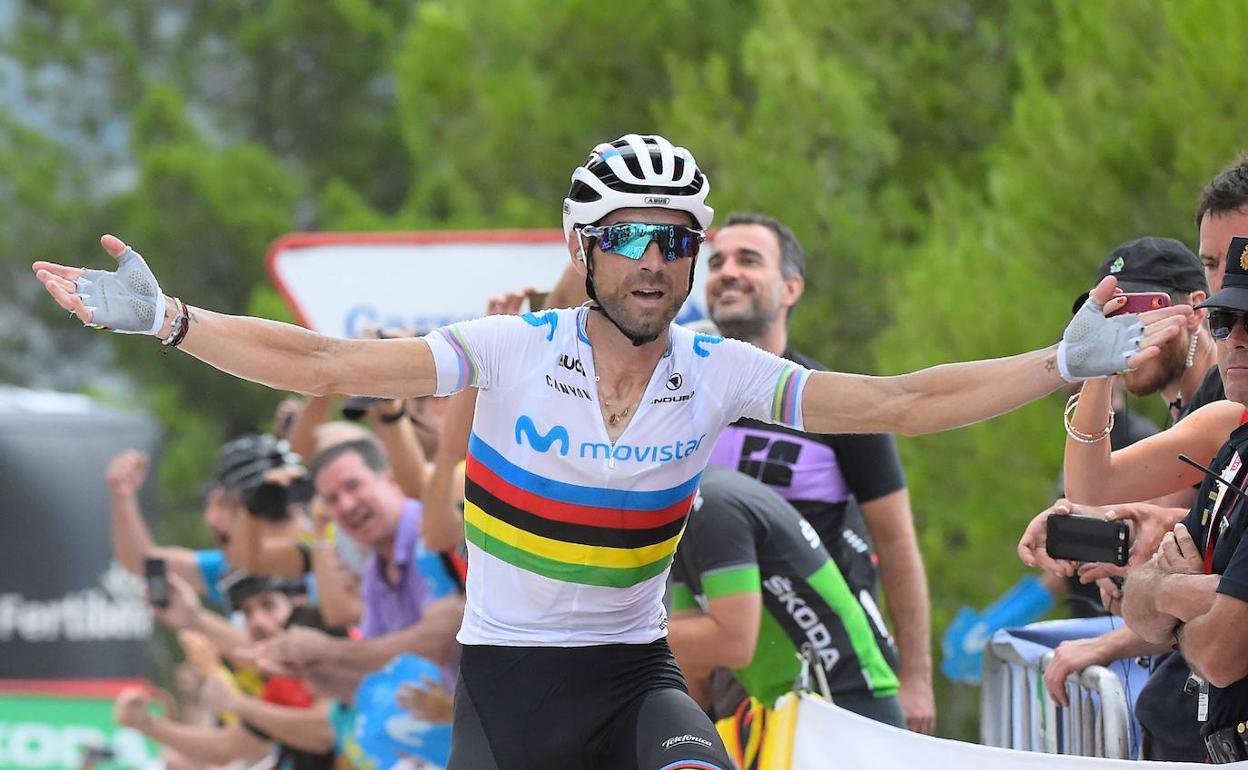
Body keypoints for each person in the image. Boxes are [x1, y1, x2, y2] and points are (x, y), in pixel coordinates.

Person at [35, 132, 1187, 769]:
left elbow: (902, 396)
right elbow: (329, 369)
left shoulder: (716, 371)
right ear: (586, 250)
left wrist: (1060, 360)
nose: (659, 261)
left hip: (635, 675)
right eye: (632, 238)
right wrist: (168, 319)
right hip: (508, 689)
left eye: (678, 240)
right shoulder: (509, 347)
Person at [703, 213, 932, 733]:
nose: (728, 271)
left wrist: (917, 678)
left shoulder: (835, 403)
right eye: (716, 262)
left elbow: (896, 544)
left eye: (748, 259)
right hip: (718, 666)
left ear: (791, 288)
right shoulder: (683, 399)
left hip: (831, 665)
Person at [1112, 241, 1248, 762]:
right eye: (1222, 322)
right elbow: (1136, 602)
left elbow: (1220, 654)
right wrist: (1180, 594)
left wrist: (1172, 616)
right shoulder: (1237, 447)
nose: (1232, 341)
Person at [668, 466, 904, 730]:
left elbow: (733, 642)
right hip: (790, 711)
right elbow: (695, 666)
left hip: (847, 703)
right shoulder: (681, 517)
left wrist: (620, 631)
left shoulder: (712, 506)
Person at [117, 572, 337, 770]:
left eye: (268, 605)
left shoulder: (337, 651)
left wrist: (237, 702)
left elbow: (323, 733)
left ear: (301, 603)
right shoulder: (281, 685)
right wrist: (147, 724)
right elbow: (224, 748)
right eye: (247, 613)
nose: (256, 621)